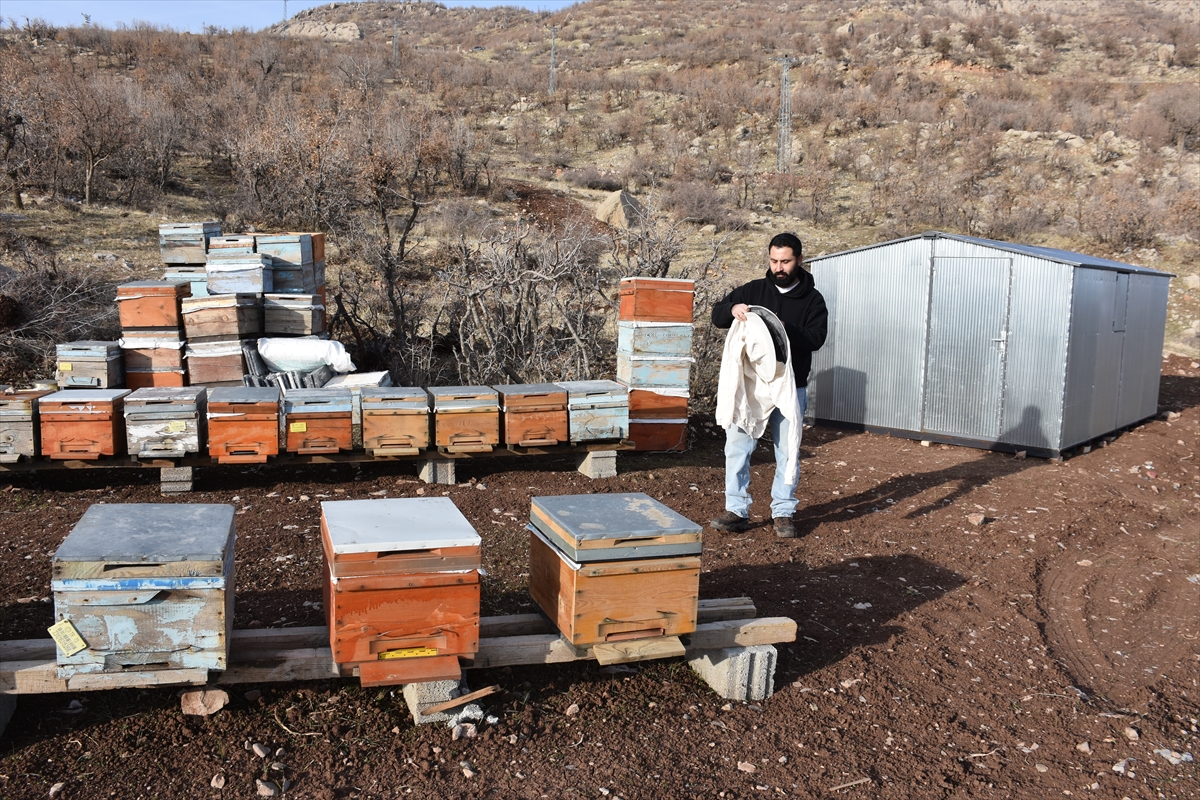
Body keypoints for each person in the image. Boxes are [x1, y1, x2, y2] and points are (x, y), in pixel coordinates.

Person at [710, 232, 828, 538]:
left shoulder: (813, 299)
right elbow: (717, 315)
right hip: (751, 386)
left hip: (791, 386)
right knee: (737, 446)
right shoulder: (753, 290)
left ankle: (783, 512)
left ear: (799, 260)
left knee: (788, 450)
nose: (779, 267)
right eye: (774, 260)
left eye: (785, 261)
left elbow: (817, 338)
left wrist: (782, 329)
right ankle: (736, 510)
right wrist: (733, 310)